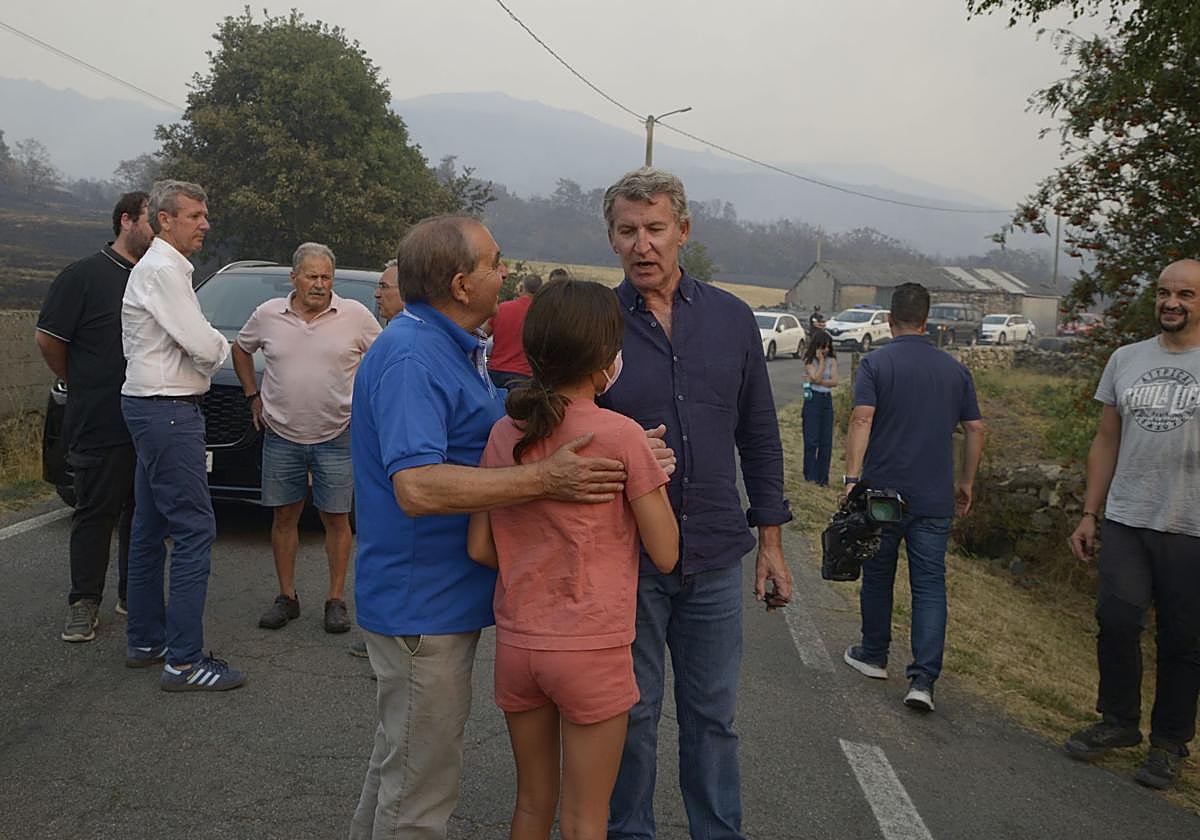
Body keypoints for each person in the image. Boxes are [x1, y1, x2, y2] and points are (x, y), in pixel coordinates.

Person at [348, 215, 673, 840]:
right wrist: (549, 479)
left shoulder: (451, 345)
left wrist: (626, 450)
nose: (506, 273)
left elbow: (522, 431)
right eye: (495, 263)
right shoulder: (413, 356)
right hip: (424, 607)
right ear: (460, 282)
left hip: (459, 606)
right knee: (419, 793)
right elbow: (416, 486)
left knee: (400, 767)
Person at [599, 168, 793, 840]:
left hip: (713, 556)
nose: (642, 245)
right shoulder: (597, 326)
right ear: (612, 238)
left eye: (655, 229)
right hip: (629, 558)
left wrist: (771, 543)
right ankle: (629, 831)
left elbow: (760, 439)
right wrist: (618, 452)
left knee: (713, 718)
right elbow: (563, 429)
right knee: (633, 713)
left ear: (683, 231)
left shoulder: (733, 319)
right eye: (628, 231)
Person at [467, 278, 679, 840]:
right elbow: (666, 552)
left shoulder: (502, 433)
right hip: (592, 648)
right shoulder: (623, 436)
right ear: (606, 356)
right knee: (587, 819)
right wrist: (653, 479)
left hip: (518, 645)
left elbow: (480, 547)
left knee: (532, 805)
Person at [1064, 259, 1200, 790]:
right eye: (1165, 292)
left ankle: (1169, 743)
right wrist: (1089, 512)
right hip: (1126, 515)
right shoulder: (1126, 359)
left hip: (1191, 526)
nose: (1171, 303)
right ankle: (1118, 722)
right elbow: (1106, 440)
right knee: (1117, 622)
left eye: (1185, 294)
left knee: (1183, 640)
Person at [120, 179, 245, 691]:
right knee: (194, 531)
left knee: (150, 526)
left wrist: (207, 342)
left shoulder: (162, 269)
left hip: (151, 408)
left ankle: (147, 640)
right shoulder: (164, 270)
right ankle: (185, 662)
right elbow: (201, 342)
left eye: (205, 213)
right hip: (169, 410)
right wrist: (223, 348)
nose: (205, 224)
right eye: (195, 215)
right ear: (165, 220)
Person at [841, 282, 985, 712]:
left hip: (884, 493)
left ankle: (873, 654)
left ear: (889, 320)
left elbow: (862, 417)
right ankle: (923, 679)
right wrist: (967, 481)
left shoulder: (876, 363)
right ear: (927, 321)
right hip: (934, 496)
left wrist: (852, 477)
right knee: (929, 586)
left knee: (879, 574)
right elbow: (976, 428)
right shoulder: (955, 371)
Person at [232, 242, 380, 635]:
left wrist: (369, 406)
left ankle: (335, 600)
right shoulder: (267, 314)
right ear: (293, 277)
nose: (319, 284)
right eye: (311, 276)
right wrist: (252, 395)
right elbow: (240, 350)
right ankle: (287, 597)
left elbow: (383, 359)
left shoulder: (356, 316)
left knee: (336, 518)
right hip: (281, 433)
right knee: (284, 516)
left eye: (326, 277)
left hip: (337, 433)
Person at [36, 191, 153, 642]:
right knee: (95, 512)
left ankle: (133, 594)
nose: (157, 232)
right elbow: (49, 340)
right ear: (126, 221)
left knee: (142, 513)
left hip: (148, 417)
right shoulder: (83, 275)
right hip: (100, 419)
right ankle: (84, 602)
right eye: (149, 221)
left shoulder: (154, 277)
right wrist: (81, 381)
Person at [487, 272, 542, 389]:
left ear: (521, 288)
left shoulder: (502, 308)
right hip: (523, 376)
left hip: (495, 371)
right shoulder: (541, 314)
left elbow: (482, 334)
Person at [802, 329, 838, 486]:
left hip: (826, 400)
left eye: (828, 347)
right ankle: (810, 474)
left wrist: (818, 380)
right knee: (811, 440)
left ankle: (823, 478)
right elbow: (814, 376)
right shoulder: (810, 361)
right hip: (813, 400)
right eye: (823, 347)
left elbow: (835, 381)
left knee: (826, 441)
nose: (826, 350)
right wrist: (821, 363)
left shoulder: (833, 361)